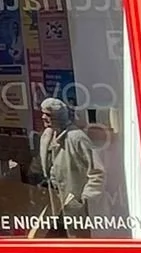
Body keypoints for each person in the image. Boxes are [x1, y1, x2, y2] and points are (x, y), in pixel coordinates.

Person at [35, 98, 103, 235]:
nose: (43, 117)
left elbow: (97, 172)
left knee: (77, 242)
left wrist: (84, 199)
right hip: (54, 204)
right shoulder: (46, 136)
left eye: (48, 114)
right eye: (42, 113)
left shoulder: (76, 138)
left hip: (74, 207)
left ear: (58, 116)